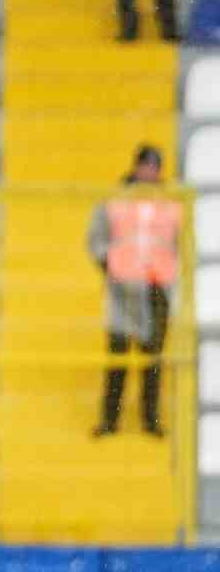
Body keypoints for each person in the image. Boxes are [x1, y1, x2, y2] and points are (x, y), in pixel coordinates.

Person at [89, 144, 178, 438]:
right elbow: (96, 237)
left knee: (152, 357)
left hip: (156, 286)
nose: (150, 172)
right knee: (118, 355)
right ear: (136, 166)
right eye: (146, 165)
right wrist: (110, 267)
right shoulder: (115, 200)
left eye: (155, 167)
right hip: (123, 286)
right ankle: (110, 419)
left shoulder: (171, 202)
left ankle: (150, 419)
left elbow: (180, 241)